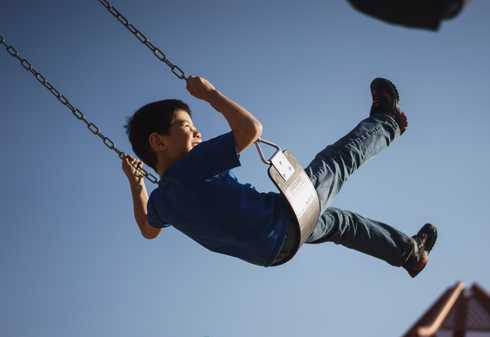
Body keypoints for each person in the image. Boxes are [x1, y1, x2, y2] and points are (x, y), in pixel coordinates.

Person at [122, 76, 437, 277]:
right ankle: (388, 121)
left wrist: (137, 184)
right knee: (336, 162)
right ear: (158, 142)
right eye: (186, 127)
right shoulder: (189, 167)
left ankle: (410, 253)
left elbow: (148, 229)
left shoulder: (162, 200)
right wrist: (211, 94)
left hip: (272, 251)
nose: (197, 132)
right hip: (281, 221)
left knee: (342, 224)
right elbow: (250, 130)